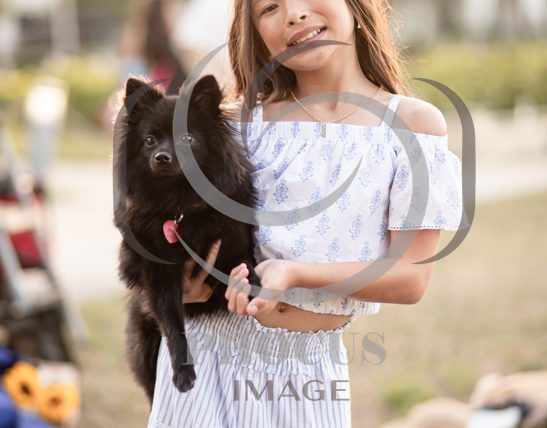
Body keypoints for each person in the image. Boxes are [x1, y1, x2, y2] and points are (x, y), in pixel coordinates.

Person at [147, 0, 465, 426]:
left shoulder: (412, 127)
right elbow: (158, 223)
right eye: (270, 7)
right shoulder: (238, 124)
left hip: (310, 374)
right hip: (208, 358)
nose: (294, 14)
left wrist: (295, 273)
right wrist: (178, 283)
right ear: (254, 31)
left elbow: (411, 278)